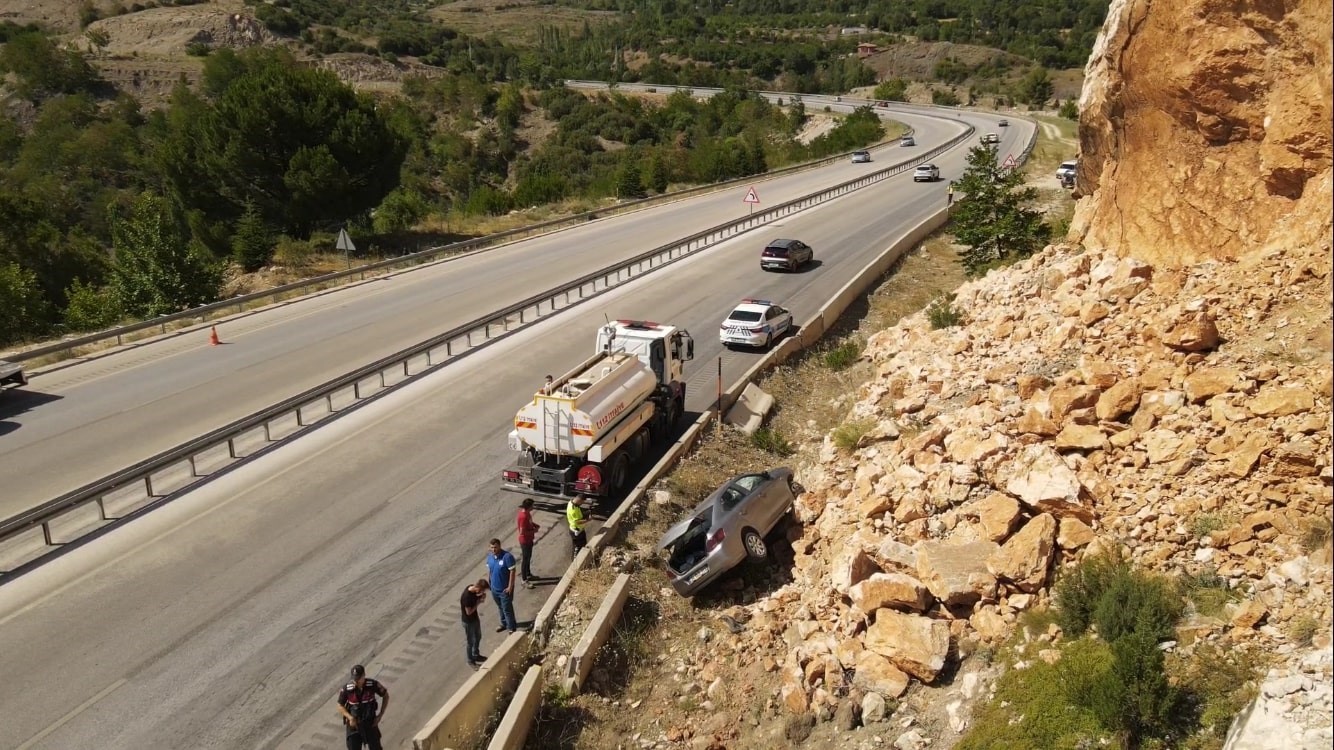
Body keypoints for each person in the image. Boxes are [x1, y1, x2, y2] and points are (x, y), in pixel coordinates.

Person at [337, 665, 389, 750]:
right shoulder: (347, 689)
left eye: (358, 678)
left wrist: (380, 715)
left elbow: (385, 696)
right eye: (354, 679)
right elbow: (339, 705)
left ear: (364, 675)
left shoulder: (372, 685)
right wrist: (350, 718)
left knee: (376, 747)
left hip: (370, 722)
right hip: (354, 725)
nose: (356, 681)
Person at [485, 538, 518, 633]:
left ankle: (511, 627)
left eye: (495, 547)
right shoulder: (490, 558)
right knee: (500, 607)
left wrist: (510, 587)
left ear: (499, 546)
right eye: (492, 548)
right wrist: (490, 583)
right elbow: (490, 571)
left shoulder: (507, 557)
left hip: (504, 590)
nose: (493, 550)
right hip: (495, 589)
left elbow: (512, 571)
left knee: (507, 609)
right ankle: (504, 623)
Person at [460, 578, 490, 668]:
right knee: (470, 641)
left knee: (478, 636)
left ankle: (476, 654)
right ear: (478, 588)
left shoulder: (472, 589)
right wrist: (479, 602)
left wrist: (481, 596)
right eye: (482, 590)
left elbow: (476, 597)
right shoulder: (467, 597)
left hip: (475, 619)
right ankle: (470, 660)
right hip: (468, 622)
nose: (482, 592)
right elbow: (468, 612)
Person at [517, 498, 540, 588]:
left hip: (529, 539)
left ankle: (528, 574)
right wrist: (534, 531)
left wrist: (535, 525)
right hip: (525, 541)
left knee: (529, 557)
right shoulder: (523, 516)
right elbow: (522, 532)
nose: (533, 507)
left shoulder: (527, 514)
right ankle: (524, 579)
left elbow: (530, 522)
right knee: (525, 559)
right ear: (529, 507)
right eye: (532, 506)